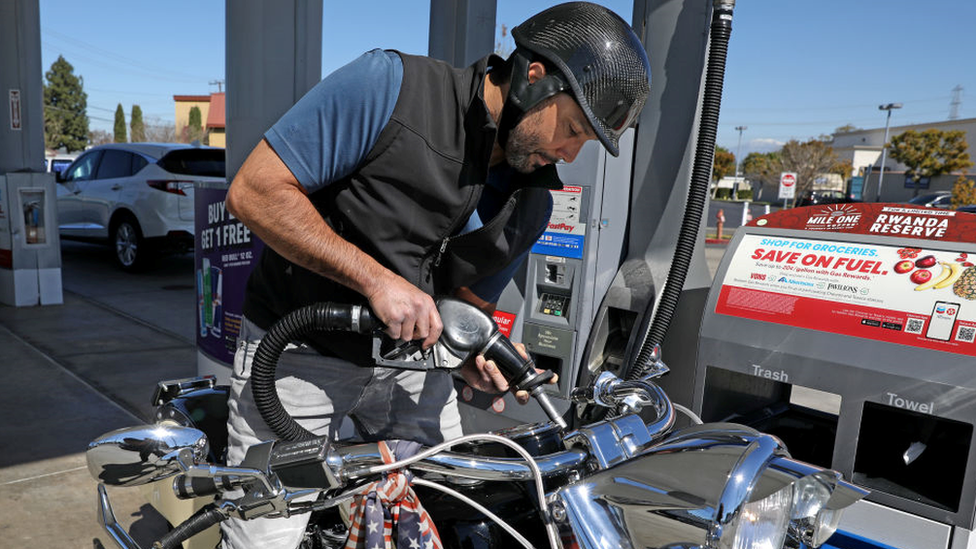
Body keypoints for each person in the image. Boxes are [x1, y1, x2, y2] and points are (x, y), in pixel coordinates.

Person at [221, 2, 651, 547]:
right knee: (268, 532)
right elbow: (255, 192)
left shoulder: (532, 204)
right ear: (533, 77)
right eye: (571, 129)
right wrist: (376, 280)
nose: (568, 151)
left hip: (414, 368)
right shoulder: (391, 89)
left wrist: (477, 352)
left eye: (584, 142)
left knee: (459, 514)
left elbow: (464, 302)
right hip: (299, 356)